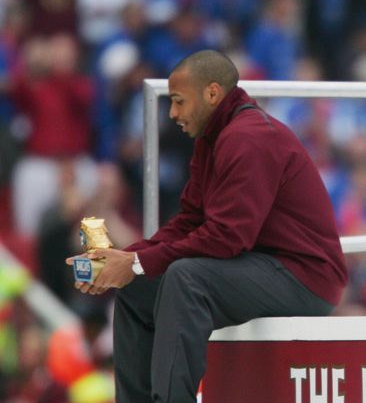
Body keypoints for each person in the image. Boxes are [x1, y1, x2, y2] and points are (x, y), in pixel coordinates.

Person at [65, 49, 348, 402]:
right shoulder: (214, 139)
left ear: (212, 93)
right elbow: (189, 222)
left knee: (186, 277)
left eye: (179, 102)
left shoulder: (249, 138)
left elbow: (228, 237)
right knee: (136, 288)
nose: (172, 114)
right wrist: (122, 260)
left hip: (304, 277)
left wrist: (136, 262)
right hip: (261, 266)